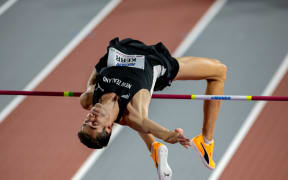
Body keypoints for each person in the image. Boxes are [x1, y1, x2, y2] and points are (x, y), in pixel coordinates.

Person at [78, 37, 227, 179]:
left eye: (86, 122)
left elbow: (96, 72)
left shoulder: (88, 98)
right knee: (219, 71)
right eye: (95, 124)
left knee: (126, 118)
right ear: (109, 128)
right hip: (153, 61)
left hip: (124, 48)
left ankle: (154, 147)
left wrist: (101, 68)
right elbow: (156, 129)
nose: (91, 117)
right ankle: (206, 141)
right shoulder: (134, 113)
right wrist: (173, 136)